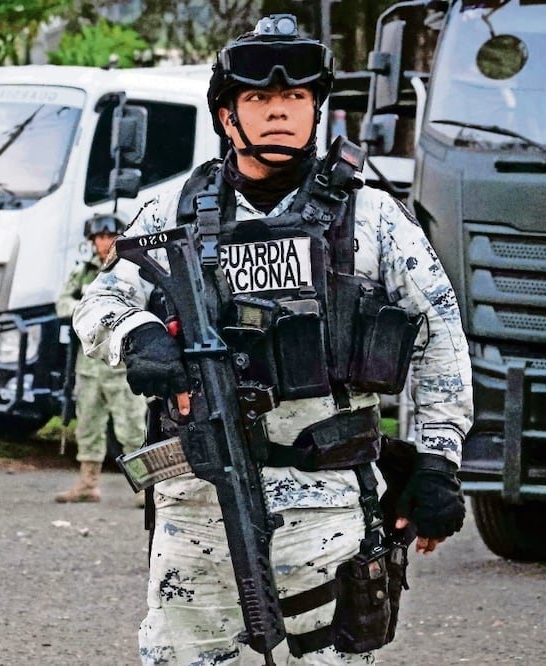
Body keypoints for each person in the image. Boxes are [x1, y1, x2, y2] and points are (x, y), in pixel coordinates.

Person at [72, 15, 473, 665]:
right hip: (199, 501)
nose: (279, 111)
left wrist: (436, 462)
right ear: (226, 116)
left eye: (295, 97)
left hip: (327, 504)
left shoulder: (371, 217)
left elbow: (440, 338)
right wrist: (139, 334)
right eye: (258, 98)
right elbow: (99, 303)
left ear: (316, 110)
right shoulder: (175, 212)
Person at [54, 213, 147, 505]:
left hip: (121, 365)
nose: (104, 242)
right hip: (89, 366)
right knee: (88, 426)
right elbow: (62, 304)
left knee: (132, 428)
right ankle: (88, 483)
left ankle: (146, 488)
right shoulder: (84, 273)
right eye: (100, 237)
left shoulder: (131, 270)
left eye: (110, 237)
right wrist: (87, 309)